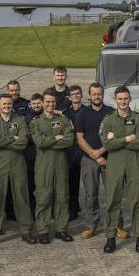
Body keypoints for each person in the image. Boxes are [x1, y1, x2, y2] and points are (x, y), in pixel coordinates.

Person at [0, 94, 36, 247]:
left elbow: (23, 142)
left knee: (22, 197)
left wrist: (5, 139)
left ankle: (26, 231)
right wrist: (13, 138)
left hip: (18, 163)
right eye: (4, 104)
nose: (7, 106)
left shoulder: (20, 120)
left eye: (9, 104)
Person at [75, 83, 128, 239]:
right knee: (91, 194)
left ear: (103, 95)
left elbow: (117, 136)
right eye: (94, 94)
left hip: (110, 157)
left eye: (99, 94)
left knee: (113, 193)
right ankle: (91, 225)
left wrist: (101, 152)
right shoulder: (83, 113)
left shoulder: (111, 113)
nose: (96, 97)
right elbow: (79, 138)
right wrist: (95, 155)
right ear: (89, 95)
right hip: (89, 159)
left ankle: (117, 224)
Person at [100, 86, 139, 253]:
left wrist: (117, 140)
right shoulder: (108, 120)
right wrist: (127, 138)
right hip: (115, 162)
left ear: (130, 99)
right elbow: (107, 144)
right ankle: (110, 237)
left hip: (134, 161)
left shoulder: (138, 119)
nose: (123, 101)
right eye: (120, 99)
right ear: (115, 100)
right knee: (113, 200)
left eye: (126, 98)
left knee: (136, 201)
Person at [30, 90, 74, 244]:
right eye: (47, 102)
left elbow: (69, 140)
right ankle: (43, 230)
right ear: (42, 102)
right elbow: (39, 143)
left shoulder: (63, 120)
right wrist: (56, 137)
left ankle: (61, 229)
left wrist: (49, 141)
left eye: (53, 102)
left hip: (60, 163)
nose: (50, 105)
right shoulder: (36, 122)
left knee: (62, 196)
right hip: (43, 165)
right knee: (43, 197)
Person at [63, 85, 84, 221]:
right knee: (72, 181)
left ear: (81, 95)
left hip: (84, 150)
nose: (76, 96)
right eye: (73, 94)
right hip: (71, 151)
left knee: (89, 183)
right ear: (69, 98)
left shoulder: (87, 111)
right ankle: (73, 208)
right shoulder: (66, 114)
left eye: (78, 94)